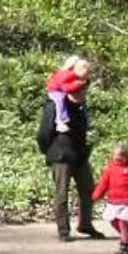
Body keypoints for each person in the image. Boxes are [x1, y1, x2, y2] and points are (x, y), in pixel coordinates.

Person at [38, 65, 102, 242]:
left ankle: (85, 224)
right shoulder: (54, 106)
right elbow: (43, 133)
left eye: (84, 92)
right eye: (80, 92)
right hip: (60, 156)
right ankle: (63, 231)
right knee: (61, 194)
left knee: (88, 190)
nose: (83, 96)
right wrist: (48, 151)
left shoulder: (81, 107)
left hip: (80, 155)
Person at [44, 54, 92, 129]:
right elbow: (66, 88)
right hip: (55, 91)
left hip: (62, 92)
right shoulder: (66, 74)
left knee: (83, 105)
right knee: (60, 102)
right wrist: (77, 85)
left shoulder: (73, 76)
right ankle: (60, 120)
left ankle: (87, 122)